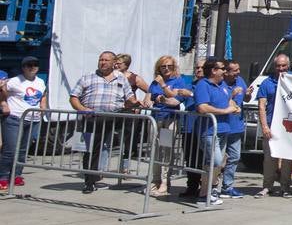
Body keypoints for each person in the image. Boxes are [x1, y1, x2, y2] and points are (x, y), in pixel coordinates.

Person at [68, 51, 139, 194]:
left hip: (115, 116)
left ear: (114, 63)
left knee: (130, 131)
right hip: (92, 118)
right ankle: (89, 181)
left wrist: (137, 103)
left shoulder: (121, 78)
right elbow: (74, 97)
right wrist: (82, 109)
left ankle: (127, 161)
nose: (103, 62)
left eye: (106, 60)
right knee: (90, 151)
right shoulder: (87, 77)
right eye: (101, 59)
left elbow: (130, 98)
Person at [191, 58, 235, 206]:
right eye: (222, 68)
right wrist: (224, 111)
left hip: (223, 129)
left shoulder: (222, 84)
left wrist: (233, 106)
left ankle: (208, 191)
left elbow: (230, 99)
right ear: (214, 70)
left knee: (218, 162)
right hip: (209, 130)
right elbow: (202, 107)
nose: (224, 71)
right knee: (214, 161)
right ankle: (205, 193)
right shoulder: (203, 85)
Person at [0, 57, 48, 192]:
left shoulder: (40, 81)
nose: (32, 67)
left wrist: (43, 107)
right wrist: (3, 104)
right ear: (23, 67)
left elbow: (43, 95)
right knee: (10, 149)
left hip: (33, 120)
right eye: (28, 65)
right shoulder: (15, 81)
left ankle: (17, 175)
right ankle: (3, 177)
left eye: (35, 65)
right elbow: (1, 90)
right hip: (15, 119)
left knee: (23, 150)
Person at [147, 56, 191, 197]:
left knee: (166, 150)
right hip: (156, 119)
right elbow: (148, 98)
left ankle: (165, 182)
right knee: (154, 150)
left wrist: (163, 91)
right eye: (163, 66)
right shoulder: (155, 82)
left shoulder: (178, 81)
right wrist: (152, 99)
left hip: (169, 120)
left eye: (169, 66)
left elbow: (174, 100)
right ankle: (155, 180)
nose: (166, 69)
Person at [253, 54, 292, 197]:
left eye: (283, 66)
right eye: (278, 66)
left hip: (288, 127)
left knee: (287, 159)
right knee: (269, 159)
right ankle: (267, 186)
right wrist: (264, 126)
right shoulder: (266, 83)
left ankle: (285, 187)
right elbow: (261, 106)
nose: (281, 68)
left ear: (288, 66)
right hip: (271, 126)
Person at [219, 60, 248, 198]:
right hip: (222, 127)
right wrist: (232, 95)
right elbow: (218, 102)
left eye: (238, 69)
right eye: (234, 70)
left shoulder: (240, 80)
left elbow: (246, 99)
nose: (238, 72)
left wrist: (247, 94)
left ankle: (227, 186)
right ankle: (212, 187)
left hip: (236, 127)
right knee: (218, 160)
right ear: (226, 71)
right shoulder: (220, 83)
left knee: (235, 157)